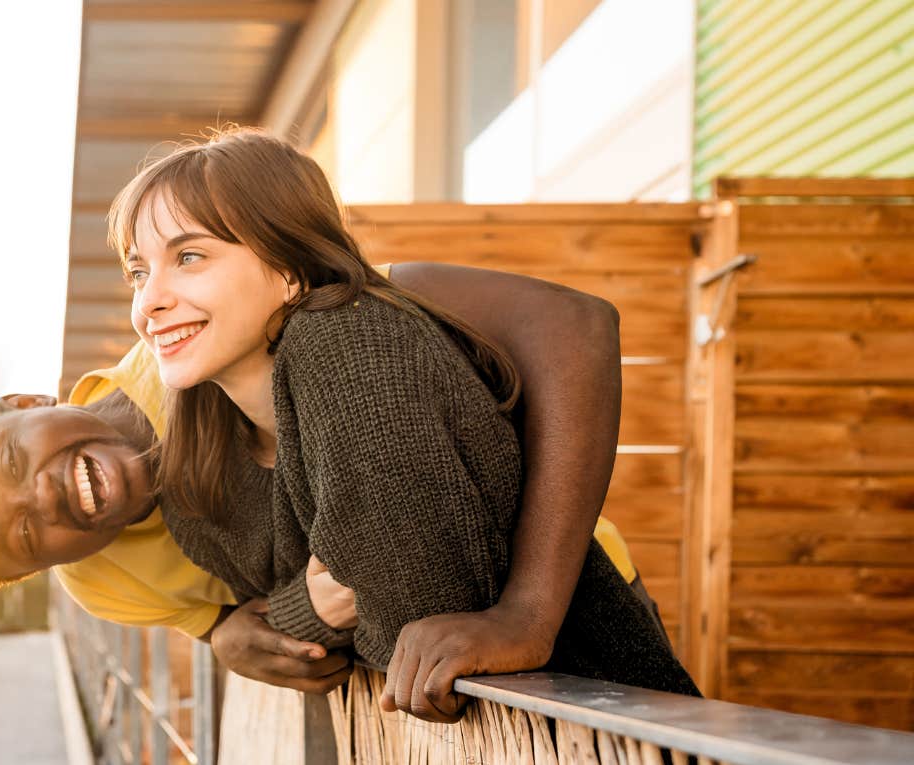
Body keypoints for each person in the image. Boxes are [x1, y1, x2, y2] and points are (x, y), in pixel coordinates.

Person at [109, 127, 699, 715]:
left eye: (190, 257)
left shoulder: (350, 341)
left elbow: (411, 615)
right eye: (139, 272)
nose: (150, 301)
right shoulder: (198, 465)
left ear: (288, 267)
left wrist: (521, 616)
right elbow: (317, 637)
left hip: (595, 714)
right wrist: (307, 611)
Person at [0, 260, 659, 711]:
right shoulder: (102, 580)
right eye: (24, 536)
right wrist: (234, 638)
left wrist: (527, 610)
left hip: (568, 587)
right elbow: (262, 620)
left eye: (7, 461)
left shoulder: (211, 325)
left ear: (27, 405)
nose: (38, 500)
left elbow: (574, 326)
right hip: (442, 684)